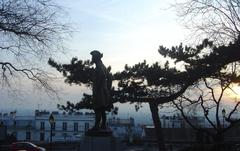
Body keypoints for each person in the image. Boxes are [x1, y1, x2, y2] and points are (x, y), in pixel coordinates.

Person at [90, 50, 113, 131]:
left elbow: (103, 75)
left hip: (100, 91)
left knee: (97, 108)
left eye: (93, 57)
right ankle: (103, 125)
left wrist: (97, 87)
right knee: (102, 109)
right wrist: (107, 88)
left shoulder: (99, 66)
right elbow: (109, 77)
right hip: (103, 90)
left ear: (96, 57)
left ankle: (97, 126)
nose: (92, 58)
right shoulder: (102, 65)